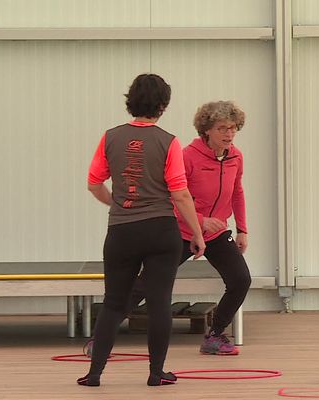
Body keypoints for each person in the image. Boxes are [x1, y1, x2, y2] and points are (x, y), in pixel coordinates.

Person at [85, 100, 251, 356]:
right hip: (183, 232)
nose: (229, 134)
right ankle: (101, 339)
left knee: (241, 280)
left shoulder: (236, 156)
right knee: (144, 285)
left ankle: (215, 335)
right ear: (206, 129)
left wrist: (242, 229)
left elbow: (237, 192)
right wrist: (200, 221)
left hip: (217, 233)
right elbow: (175, 196)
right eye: (222, 128)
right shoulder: (187, 156)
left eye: (233, 128)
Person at [79, 73, 206, 387]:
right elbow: (179, 194)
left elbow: (94, 183)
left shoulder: (110, 137)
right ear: (163, 105)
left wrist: (115, 203)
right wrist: (198, 234)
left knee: (113, 302)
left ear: (130, 101)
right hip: (160, 230)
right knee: (159, 301)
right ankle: (156, 372)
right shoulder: (168, 141)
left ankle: (94, 374)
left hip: (122, 231)